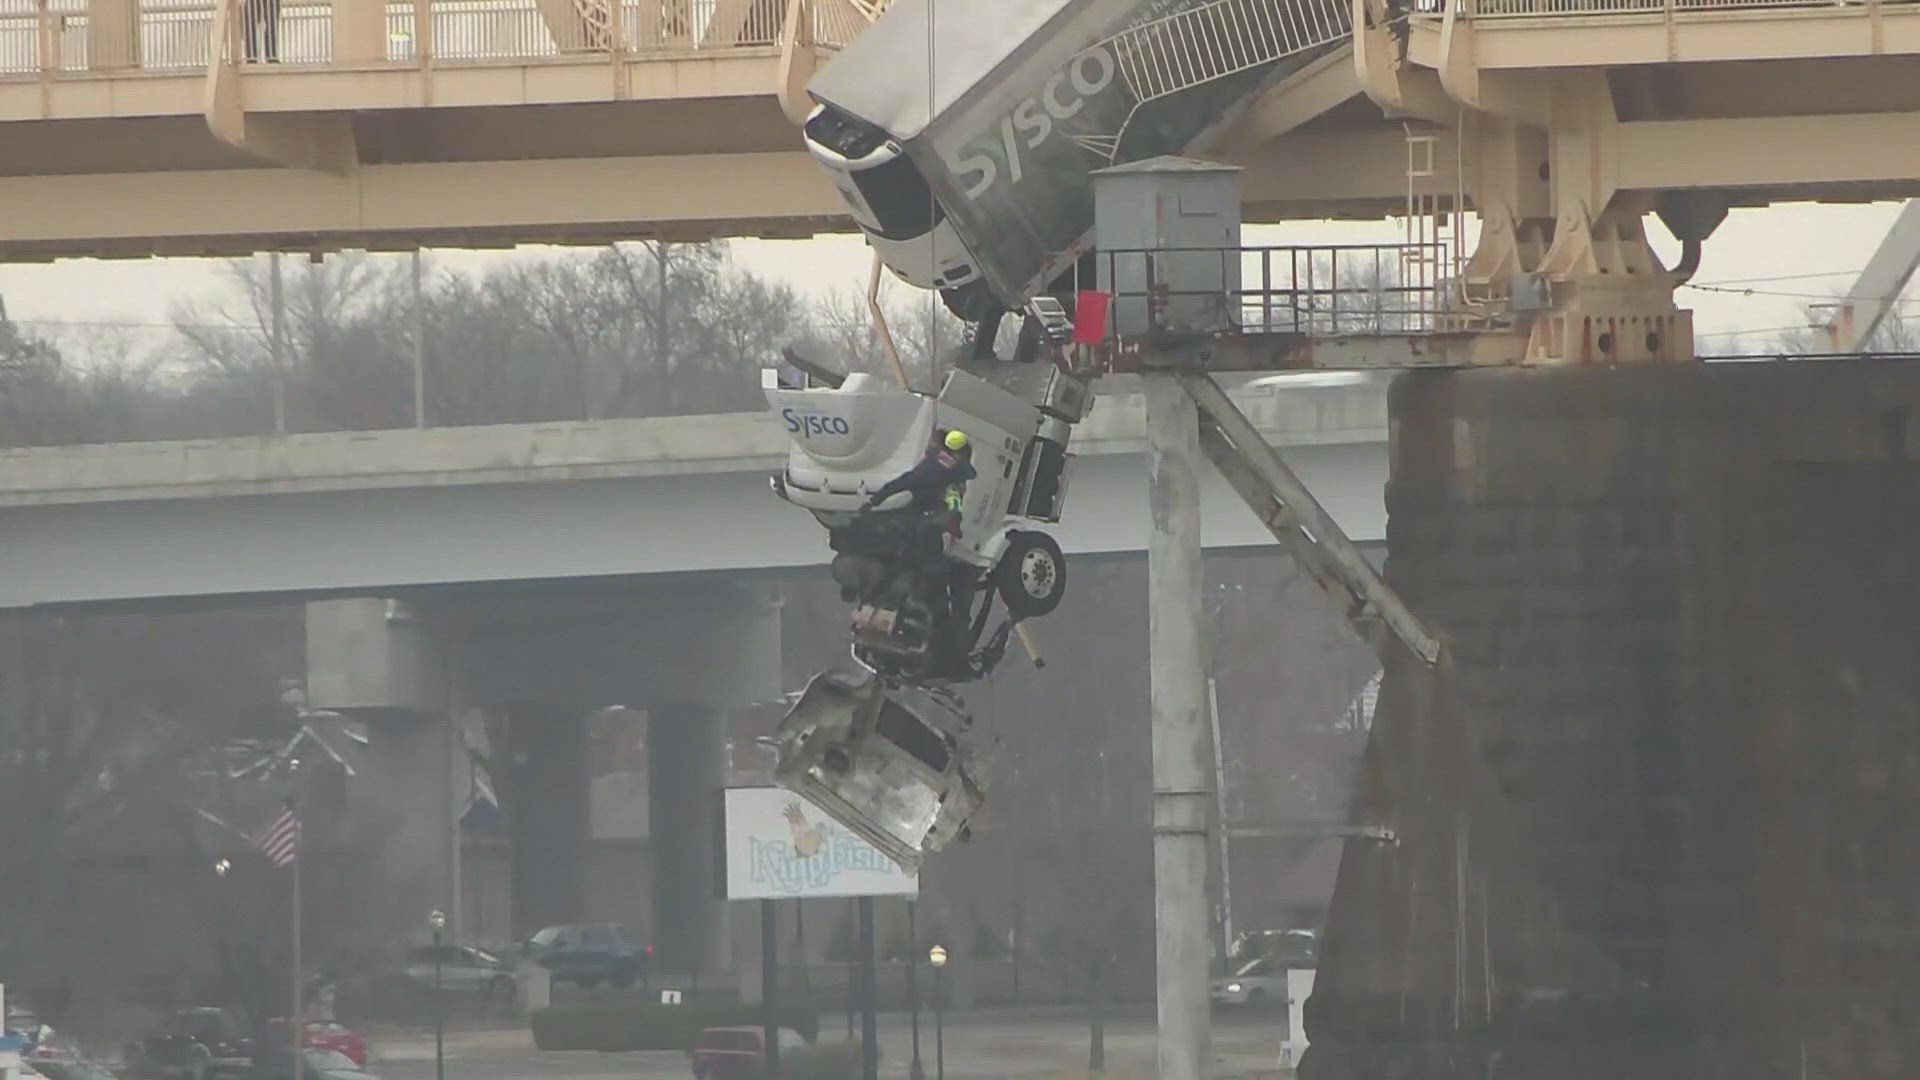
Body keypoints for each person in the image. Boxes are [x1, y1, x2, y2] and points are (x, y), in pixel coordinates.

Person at [863, 428, 977, 515]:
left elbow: (929, 450)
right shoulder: (958, 468)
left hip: (915, 478)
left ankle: (871, 503)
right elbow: (972, 474)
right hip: (930, 489)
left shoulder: (936, 451)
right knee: (916, 509)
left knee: (892, 487)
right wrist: (961, 462)